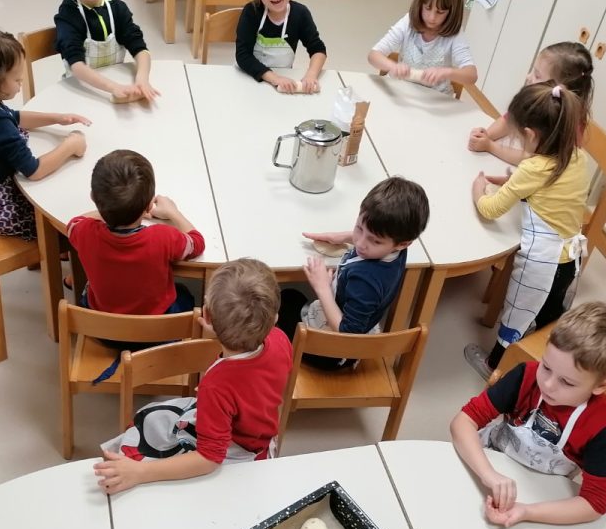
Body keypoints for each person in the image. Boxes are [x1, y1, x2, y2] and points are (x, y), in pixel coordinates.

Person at [93, 258, 293, 494]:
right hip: (263, 433)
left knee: (141, 435)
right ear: (275, 318)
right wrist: (220, 332)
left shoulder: (216, 385)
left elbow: (209, 458)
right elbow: (252, 377)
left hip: (238, 452)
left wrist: (140, 473)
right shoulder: (280, 339)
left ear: (206, 316)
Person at [450, 302, 606, 528]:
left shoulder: (600, 427)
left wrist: (526, 511)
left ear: (600, 386)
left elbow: (594, 503)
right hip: (484, 463)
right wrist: (488, 474)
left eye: (566, 382)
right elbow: (463, 422)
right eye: (546, 367)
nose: (547, 384)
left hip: (539, 498)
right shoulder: (525, 377)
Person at [463, 81, 588, 380]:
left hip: (541, 263)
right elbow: (548, 191)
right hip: (570, 259)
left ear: (532, 135)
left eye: (519, 137)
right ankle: (546, 360)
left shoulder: (533, 169)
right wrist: (511, 183)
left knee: (517, 313)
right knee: (548, 314)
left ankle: (495, 365)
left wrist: (479, 190)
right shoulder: (576, 156)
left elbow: (491, 210)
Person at [0, 23, 89, 240]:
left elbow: (13, 117)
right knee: (60, 223)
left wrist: (56, 118)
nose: (21, 82)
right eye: (16, 79)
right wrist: (70, 146)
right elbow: (34, 170)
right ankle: (53, 254)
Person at [278, 176, 430, 370]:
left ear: (403, 243)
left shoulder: (365, 281)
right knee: (291, 297)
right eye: (359, 228)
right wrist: (342, 236)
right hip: (359, 330)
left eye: (374, 241)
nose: (359, 243)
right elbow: (371, 236)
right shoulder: (395, 246)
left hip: (333, 353)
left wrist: (322, 288)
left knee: (275, 313)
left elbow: (347, 334)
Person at [67, 149, 205, 317]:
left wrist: (106, 209)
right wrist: (172, 212)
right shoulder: (163, 238)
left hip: (102, 327)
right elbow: (197, 243)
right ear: (148, 206)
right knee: (185, 294)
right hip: (158, 333)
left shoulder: (85, 232)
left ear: (93, 198)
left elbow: (74, 222)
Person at [467, 41, 593, 166]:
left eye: (537, 75)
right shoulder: (538, 98)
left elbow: (533, 160)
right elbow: (509, 119)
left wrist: (490, 146)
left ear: (558, 88)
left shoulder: (562, 122)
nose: (528, 77)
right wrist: (486, 136)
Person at [55, 0, 159, 103]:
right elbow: (76, 65)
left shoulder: (117, 8)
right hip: (81, 89)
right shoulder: (67, 15)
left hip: (115, 79)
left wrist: (142, 80)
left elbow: (140, 48)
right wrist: (113, 87)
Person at [368, 0, 477, 96]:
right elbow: (373, 55)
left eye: (440, 12)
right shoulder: (408, 22)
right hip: (401, 90)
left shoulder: (455, 34)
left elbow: (472, 75)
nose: (432, 17)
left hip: (435, 97)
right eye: (427, 8)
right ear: (420, 4)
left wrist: (447, 73)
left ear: (452, 11)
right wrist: (393, 66)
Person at [235, 0, 326, 93]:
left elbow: (318, 49)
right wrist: (274, 78)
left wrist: (311, 75)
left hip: (284, 83)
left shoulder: (300, 14)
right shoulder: (251, 12)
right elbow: (243, 55)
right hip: (252, 79)